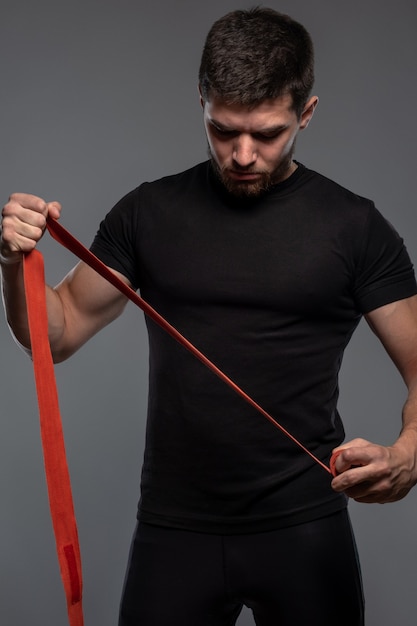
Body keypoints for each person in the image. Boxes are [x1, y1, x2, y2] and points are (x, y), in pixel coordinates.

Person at [1, 7, 417, 626]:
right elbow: (53, 335)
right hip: (175, 528)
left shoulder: (355, 227)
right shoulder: (148, 213)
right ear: (201, 101)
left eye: (268, 133)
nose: (243, 154)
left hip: (304, 523)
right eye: (223, 130)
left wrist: (411, 450)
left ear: (306, 113)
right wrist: (14, 263)